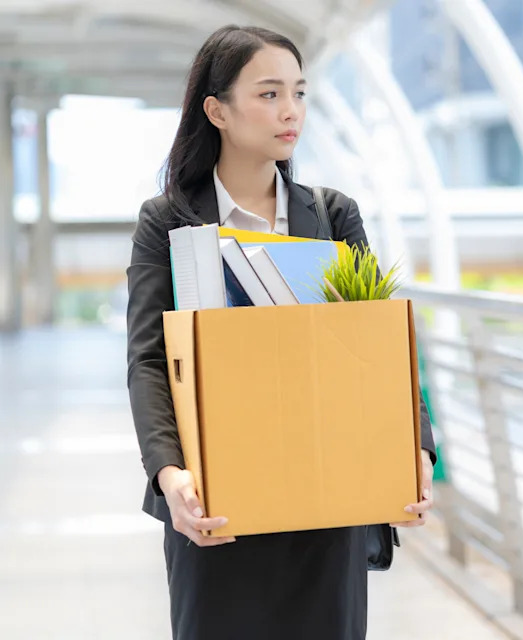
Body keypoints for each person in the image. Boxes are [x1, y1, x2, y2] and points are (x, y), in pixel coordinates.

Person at [126, 25, 437, 639]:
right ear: (216, 110)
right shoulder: (167, 222)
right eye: (268, 94)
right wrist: (171, 474)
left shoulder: (332, 215)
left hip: (327, 496)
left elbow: (379, 345)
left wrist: (416, 449)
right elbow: (149, 360)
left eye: (298, 93)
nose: (290, 111)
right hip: (217, 500)